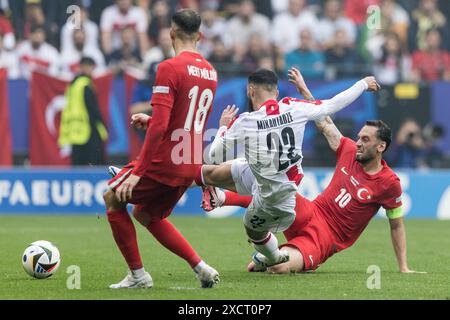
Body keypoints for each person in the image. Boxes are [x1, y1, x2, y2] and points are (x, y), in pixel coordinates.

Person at [201, 69, 424, 274]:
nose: (358, 142)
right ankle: (221, 198)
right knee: (269, 188)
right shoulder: (348, 150)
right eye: (358, 137)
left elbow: (396, 224)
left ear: (381, 146)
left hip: (325, 238)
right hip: (310, 211)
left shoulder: (389, 182)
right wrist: (305, 91)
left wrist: (403, 267)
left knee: (276, 270)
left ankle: (269, 256)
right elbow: (324, 121)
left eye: (365, 139)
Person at [103, 9, 220, 289]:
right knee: (146, 214)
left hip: (164, 161)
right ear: (200, 36)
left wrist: (137, 171)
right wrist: (154, 118)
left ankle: (138, 276)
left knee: (112, 197)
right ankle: (202, 268)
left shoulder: (169, 67)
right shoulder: (211, 72)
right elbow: (187, 119)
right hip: (190, 160)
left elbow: (161, 128)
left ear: (171, 33)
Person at [58, 57, 108, 166]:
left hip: (75, 130)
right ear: (84, 67)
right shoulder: (85, 84)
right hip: (87, 128)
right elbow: (93, 108)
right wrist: (102, 124)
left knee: (78, 165)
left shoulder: (72, 84)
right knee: (94, 164)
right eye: (90, 67)